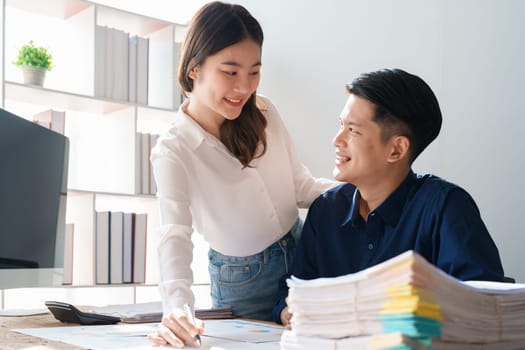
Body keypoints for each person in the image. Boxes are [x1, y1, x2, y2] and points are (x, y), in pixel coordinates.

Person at [147, 2, 336, 347]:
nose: (244, 87)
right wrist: (176, 308)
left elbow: (301, 186)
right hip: (244, 279)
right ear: (194, 69)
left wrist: (368, 188)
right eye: (230, 72)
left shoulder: (264, 112)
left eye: (254, 71)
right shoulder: (173, 149)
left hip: (304, 254)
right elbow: (174, 233)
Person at [273, 68, 505, 326]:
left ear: (396, 149)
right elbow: (291, 294)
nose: (336, 141)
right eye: (341, 126)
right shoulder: (326, 209)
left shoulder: (446, 208)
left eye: (353, 130)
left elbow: (482, 305)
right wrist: (289, 312)